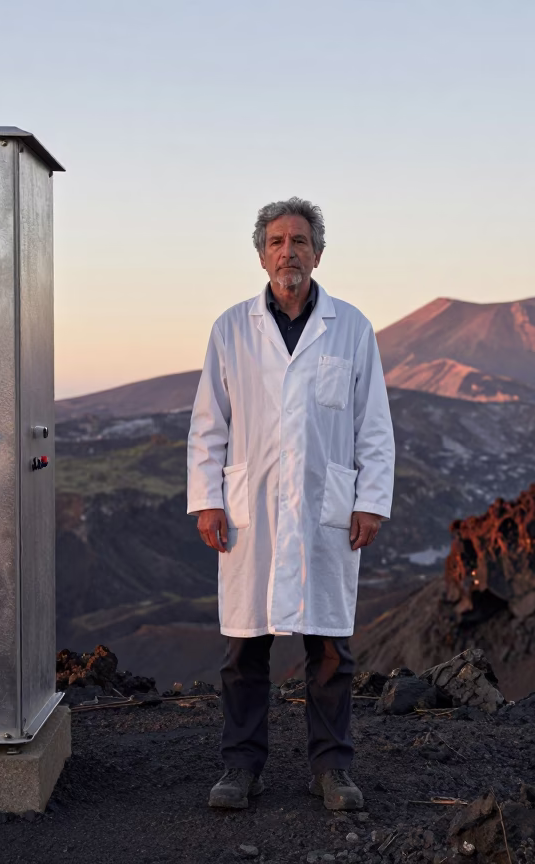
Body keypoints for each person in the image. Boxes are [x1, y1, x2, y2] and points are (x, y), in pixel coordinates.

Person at [186, 197, 395, 811]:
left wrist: (370, 501)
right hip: (251, 512)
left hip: (325, 510)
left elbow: (373, 425)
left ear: (318, 253)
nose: (288, 252)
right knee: (244, 648)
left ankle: (332, 769)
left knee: (330, 648)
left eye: (299, 241)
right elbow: (208, 423)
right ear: (260, 256)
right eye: (277, 242)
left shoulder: (351, 328)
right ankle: (240, 768)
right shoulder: (231, 329)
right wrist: (208, 501)